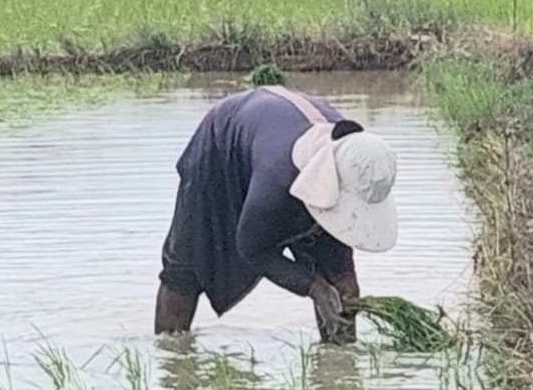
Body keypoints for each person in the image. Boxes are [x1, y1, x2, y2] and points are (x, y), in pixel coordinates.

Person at [155, 84, 399, 342]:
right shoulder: (276, 179)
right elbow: (252, 248)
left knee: (341, 290)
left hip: (273, 134)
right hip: (221, 149)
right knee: (185, 270)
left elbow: (339, 257)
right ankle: (170, 351)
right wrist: (312, 287)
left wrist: (342, 282)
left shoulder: (359, 165)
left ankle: (340, 358)